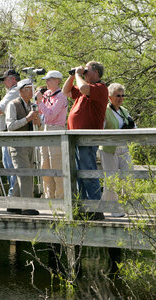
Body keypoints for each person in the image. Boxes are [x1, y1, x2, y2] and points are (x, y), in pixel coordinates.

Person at [62, 61, 108, 220]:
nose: (85, 73)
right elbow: (65, 91)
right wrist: (72, 75)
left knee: (88, 172)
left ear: (96, 72)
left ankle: (95, 209)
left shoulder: (100, 88)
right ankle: (84, 208)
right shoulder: (85, 88)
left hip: (87, 138)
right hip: (76, 138)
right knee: (79, 174)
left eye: (87, 70)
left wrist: (78, 75)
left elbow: (82, 88)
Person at [99, 83, 136, 217]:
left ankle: (127, 206)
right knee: (111, 180)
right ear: (110, 97)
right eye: (117, 96)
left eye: (122, 95)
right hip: (109, 149)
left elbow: (134, 127)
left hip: (124, 148)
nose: (120, 98)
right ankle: (112, 208)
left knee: (129, 176)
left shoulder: (124, 110)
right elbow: (100, 130)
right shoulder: (105, 111)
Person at [5, 78, 41, 215]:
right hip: (17, 145)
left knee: (25, 172)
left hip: (29, 144)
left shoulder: (32, 105)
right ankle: (27, 206)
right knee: (25, 174)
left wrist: (37, 120)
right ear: (21, 91)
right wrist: (27, 118)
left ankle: (13, 204)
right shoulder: (12, 105)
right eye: (28, 89)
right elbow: (10, 126)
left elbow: (39, 125)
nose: (32, 91)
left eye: (32, 88)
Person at [34, 70, 68, 199]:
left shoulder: (61, 97)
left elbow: (51, 115)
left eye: (49, 80)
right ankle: (49, 197)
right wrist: (38, 102)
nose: (47, 82)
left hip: (56, 129)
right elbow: (40, 111)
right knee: (45, 165)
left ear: (57, 81)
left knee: (57, 165)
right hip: (45, 129)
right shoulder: (47, 94)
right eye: (46, 80)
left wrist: (40, 102)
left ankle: (60, 198)